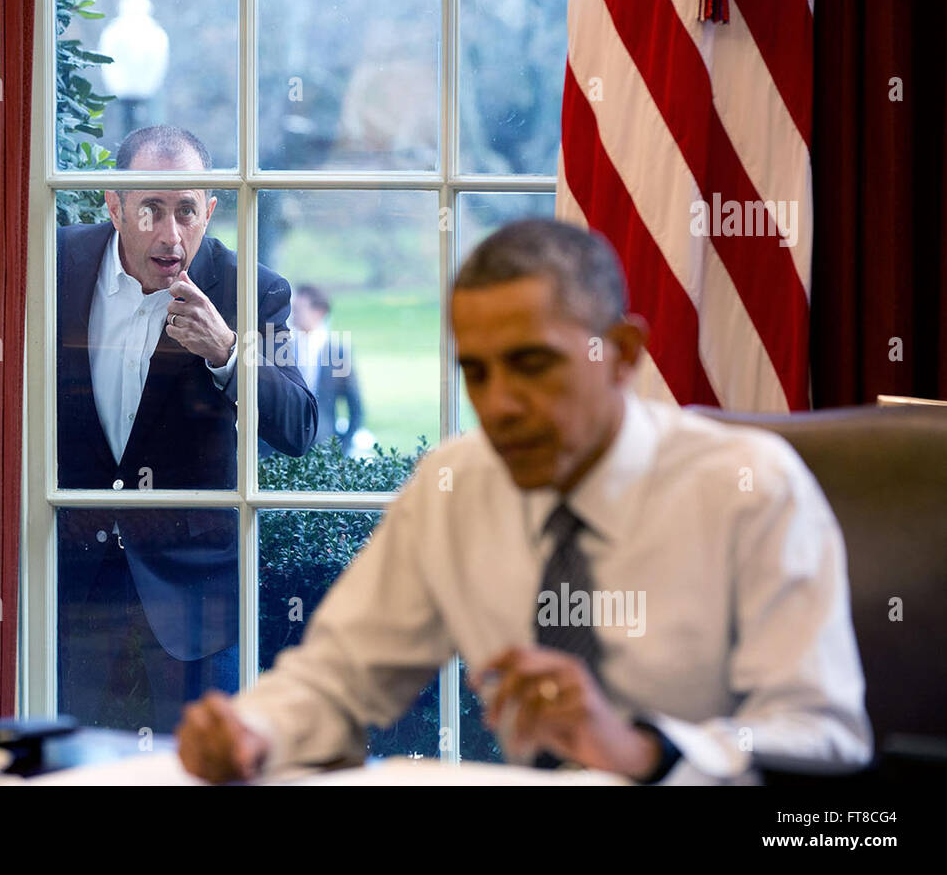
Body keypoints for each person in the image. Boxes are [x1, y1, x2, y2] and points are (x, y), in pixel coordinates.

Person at [176, 218, 872, 784]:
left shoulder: (750, 490)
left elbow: (823, 730)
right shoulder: (456, 486)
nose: (499, 405)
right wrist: (253, 730)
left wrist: (643, 752)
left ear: (623, 354)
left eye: (533, 365)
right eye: (477, 373)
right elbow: (338, 677)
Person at [56, 126, 317, 733]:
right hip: (71, 583)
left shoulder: (251, 288)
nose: (172, 235)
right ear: (113, 205)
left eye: (187, 211)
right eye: (150, 208)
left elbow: (300, 426)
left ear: (210, 210)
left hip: (196, 598)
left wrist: (229, 351)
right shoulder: (56, 264)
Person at [290, 285, 364, 455]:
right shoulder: (282, 349)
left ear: (319, 312)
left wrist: (342, 448)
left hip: (323, 448)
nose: (293, 315)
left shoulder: (337, 352)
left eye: (298, 310)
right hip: (280, 450)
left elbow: (355, 406)